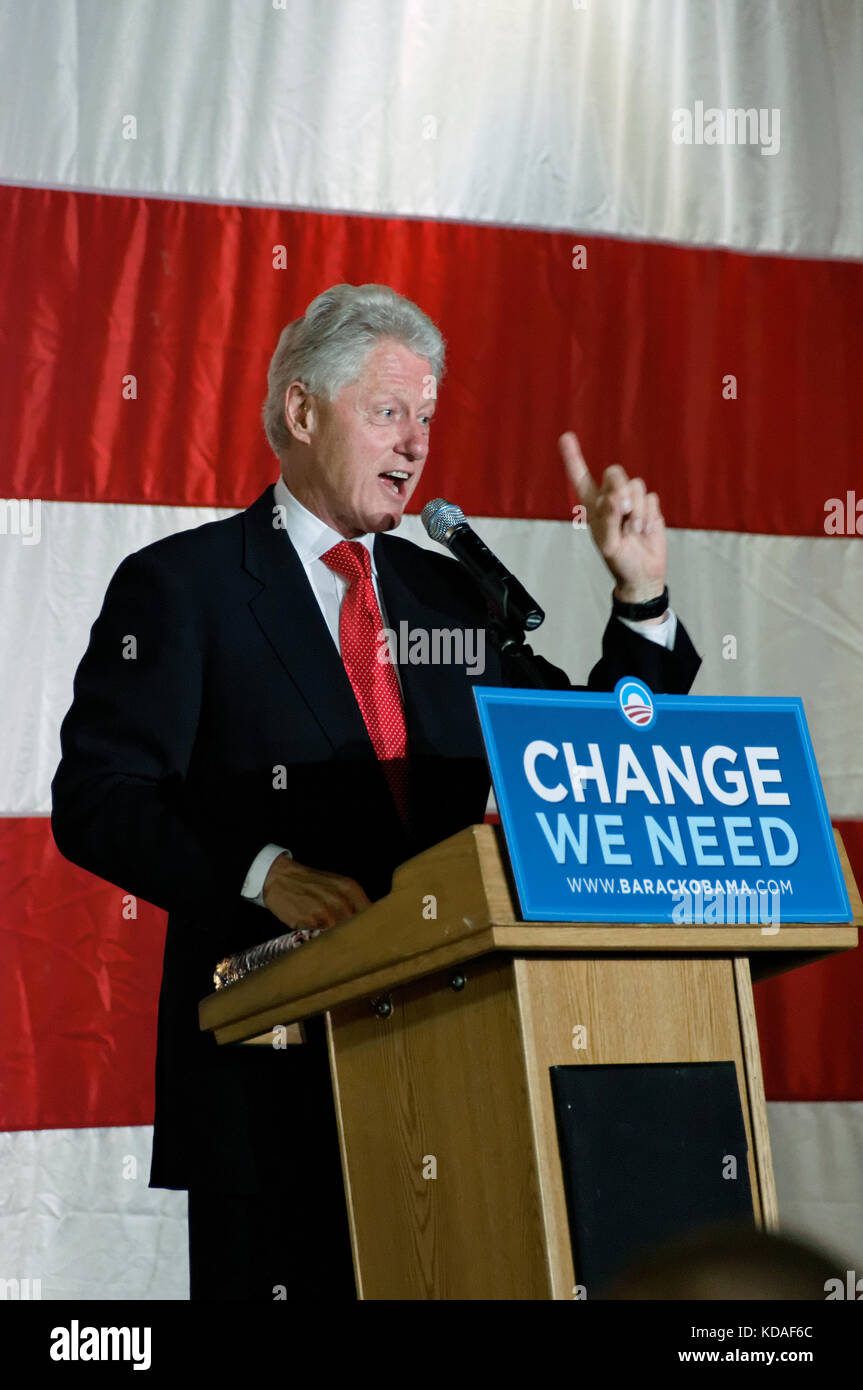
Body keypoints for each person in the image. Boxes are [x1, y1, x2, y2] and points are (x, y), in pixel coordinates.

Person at [51, 283, 701, 1300]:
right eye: (389, 411)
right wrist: (262, 871)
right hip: (273, 1079)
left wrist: (639, 595)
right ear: (302, 413)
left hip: (459, 1066)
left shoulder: (447, 593)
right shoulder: (183, 585)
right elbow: (99, 795)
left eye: (428, 419)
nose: (415, 444)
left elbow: (591, 761)